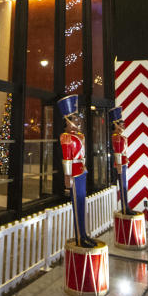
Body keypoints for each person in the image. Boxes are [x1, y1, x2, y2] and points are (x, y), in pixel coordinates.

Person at [59, 95, 96, 248]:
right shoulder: (66, 137)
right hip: (74, 173)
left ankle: (84, 234)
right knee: (77, 204)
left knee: (82, 203)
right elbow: (66, 159)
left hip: (82, 171)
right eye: (73, 118)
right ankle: (80, 238)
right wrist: (67, 178)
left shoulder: (79, 136)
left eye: (76, 118)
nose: (77, 121)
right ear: (66, 121)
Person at [109, 106, 136, 215]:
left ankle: (126, 206)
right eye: (120, 124)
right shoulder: (116, 137)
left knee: (125, 185)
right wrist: (119, 165)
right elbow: (117, 153)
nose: (123, 125)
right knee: (123, 186)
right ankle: (125, 208)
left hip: (124, 163)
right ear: (115, 125)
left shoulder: (120, 136)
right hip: (121, 165)